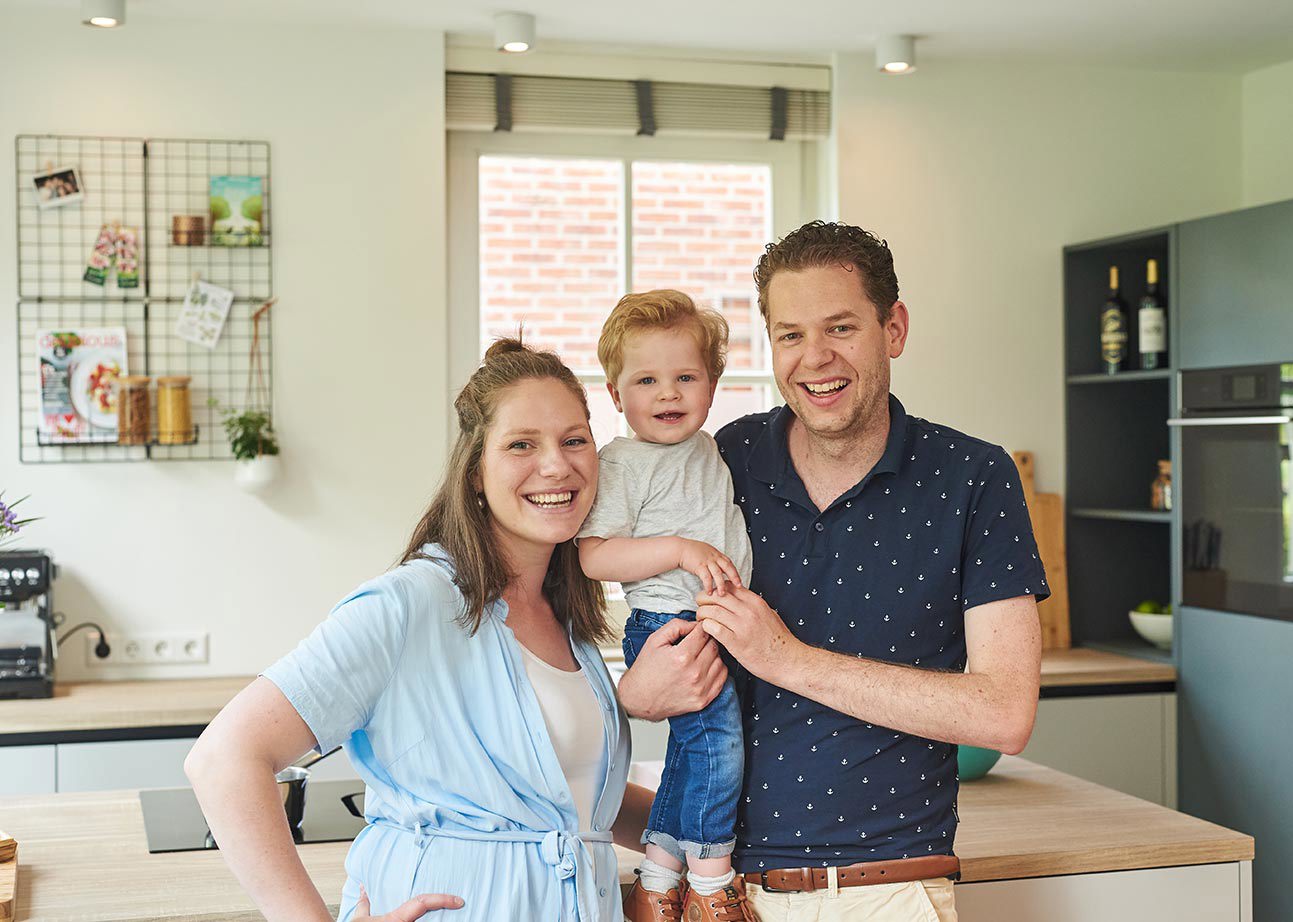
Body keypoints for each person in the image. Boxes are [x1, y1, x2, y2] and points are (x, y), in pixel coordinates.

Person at [186, 338, 729, 922]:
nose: (557, 465)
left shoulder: (567, 616)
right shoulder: (410, 602)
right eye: (522, 444)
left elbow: (572, 799)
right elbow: (223, 761)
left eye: (575, 440)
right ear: (475, 471)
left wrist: (712, 836)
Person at [618, 221, 1048, 921]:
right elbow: (617, 590)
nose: (813, 358)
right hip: (721, 895)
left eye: (840, 327)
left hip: (892, 892)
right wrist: (633, 694)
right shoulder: (723, 459)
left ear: (893, 329)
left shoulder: (972, 477)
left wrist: (783, 658)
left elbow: (1004, 713)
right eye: (789, 334)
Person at [576, 290, 755, 922]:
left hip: (712, 621)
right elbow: (594, 556)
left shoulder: (708, 448)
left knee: (689, 749)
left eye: (686, 377)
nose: (668, 393)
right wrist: (679, 549)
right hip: (669, 626)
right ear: (617, 395)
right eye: (647, 380)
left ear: (712, 385)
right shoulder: (624, 462)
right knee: (718, 746)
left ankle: (657, 872)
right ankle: (710, 879)